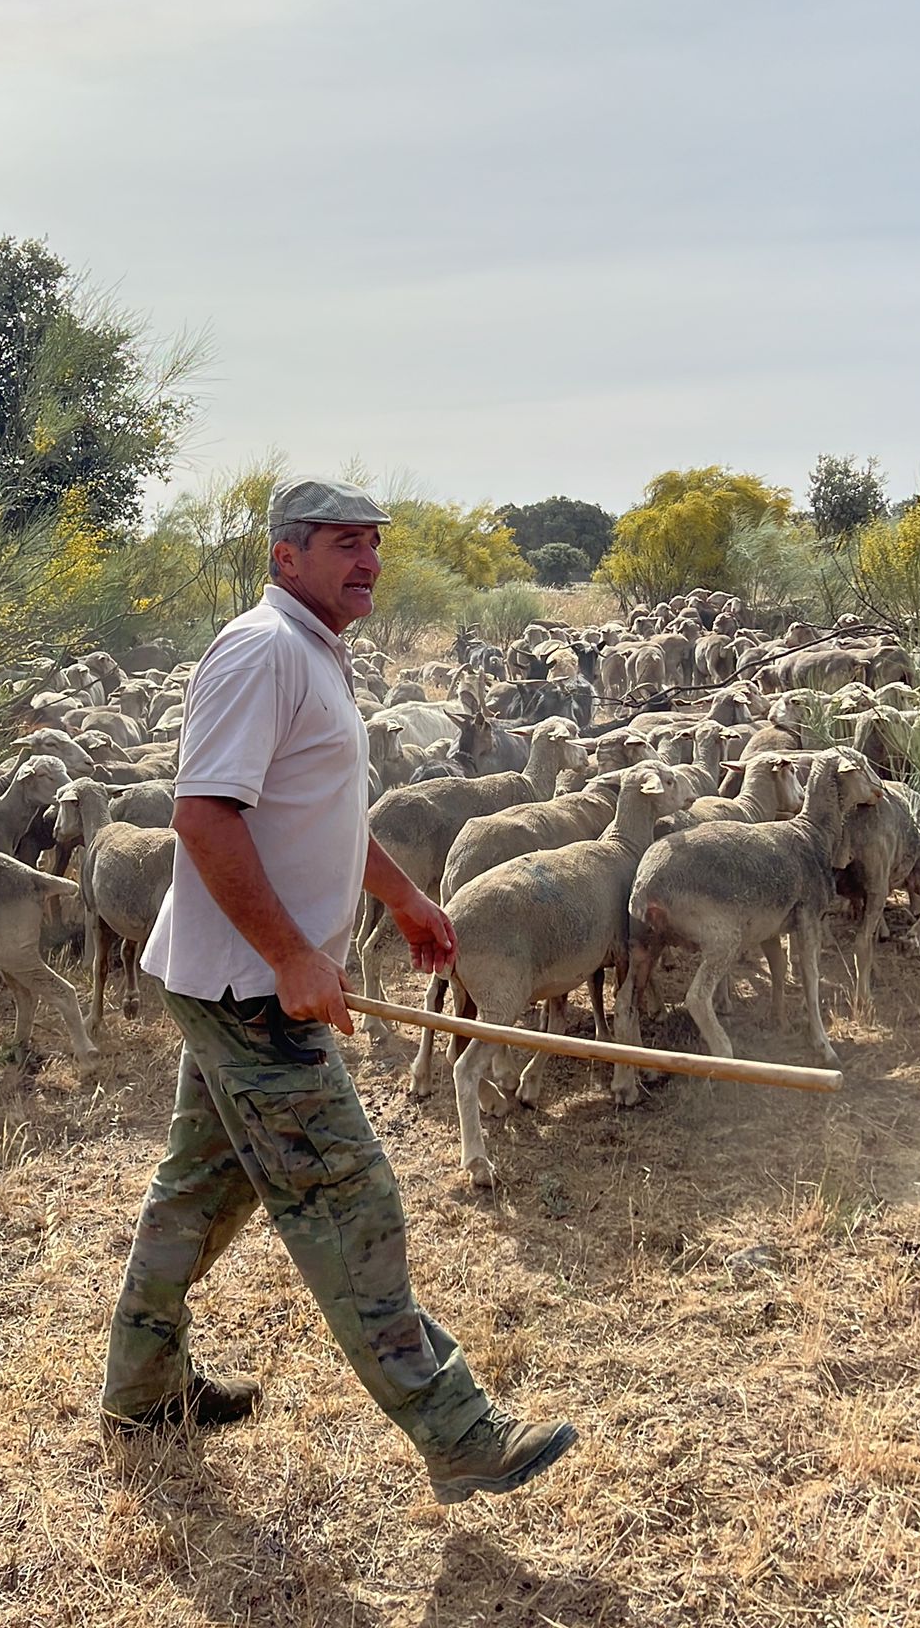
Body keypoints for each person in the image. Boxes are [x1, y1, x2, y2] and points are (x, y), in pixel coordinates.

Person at [99, 476, 577, 1504]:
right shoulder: (261, 651)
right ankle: (458, 1429)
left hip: (234, 978)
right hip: (249, 989)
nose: (366, 558)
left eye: (373, 541)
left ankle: (141, 1390)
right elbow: (204, 816)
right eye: (342, 542)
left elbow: (307, 809)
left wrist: (402, 896)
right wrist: (292, 956)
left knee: (197, 1187)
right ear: (286, 556)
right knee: (350, 1194)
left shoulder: (313, 652)